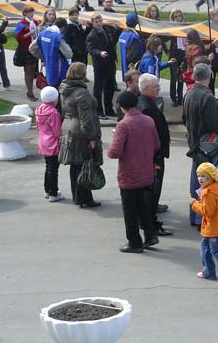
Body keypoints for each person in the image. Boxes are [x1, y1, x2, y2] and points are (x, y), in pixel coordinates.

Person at [108, 91, 161, 253]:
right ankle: (150, 234)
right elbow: (156, 144)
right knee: (142, 205)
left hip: (129, 173)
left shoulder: (123, 125)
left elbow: (114, 152)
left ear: (122, 107)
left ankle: (134, 242)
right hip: (145, 171)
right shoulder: (148, 121)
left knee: (130, 209)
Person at [182, 63, 218, 228]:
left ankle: (194, 215)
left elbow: (184, 119)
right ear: (209, 76)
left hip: (194, 144)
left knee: (196, 180)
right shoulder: (208, 98)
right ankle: (201, 216)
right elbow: (215, 125)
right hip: (208, 146)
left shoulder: (189, 94)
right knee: (206, 182)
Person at [58, 63, 102, 209]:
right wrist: (91, 138)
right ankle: (85, 198)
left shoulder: (64, 88)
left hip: (68, 127)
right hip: (79, 131)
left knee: (75, 166)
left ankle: (78, 197)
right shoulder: (81, 93)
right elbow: (86, 119)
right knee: (85, 165)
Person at [138, 73, 173, 235]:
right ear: (146, 89)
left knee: (151, 191)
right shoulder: (146, 108)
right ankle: (150, 223)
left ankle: (148, 220)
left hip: (154, 155)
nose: (159, 88)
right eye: (156, 86)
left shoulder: (147, 103)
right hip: (153, 157)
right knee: (152, 191)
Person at [85, 14, 117, 119]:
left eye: (100, 21)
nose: (99, 23)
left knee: (110, 86)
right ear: (93, 23)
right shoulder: (91, 35)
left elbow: (113, 41)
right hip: (99, 64)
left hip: (110, 62)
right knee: (98, 87)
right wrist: (99, 53)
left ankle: (109, 108)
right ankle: (98, 110)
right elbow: (90, 49)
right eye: (96, 22)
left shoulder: (106, 30)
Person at [36, 86, 64, 203]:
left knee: (48, 167)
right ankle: (53, 193)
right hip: (52, 144)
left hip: (43, 142)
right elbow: (57, 131)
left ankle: (47, 190)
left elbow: (38, 127)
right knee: (53, 169)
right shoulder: (54, 113)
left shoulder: (39, 110)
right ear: (55, 100)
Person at [30, 18, 72, 90]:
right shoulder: (58, 37)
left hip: (48, 66)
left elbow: (32, 48)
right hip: (59, 67)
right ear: (63, 28)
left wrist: (44, 57)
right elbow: (69, 54)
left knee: (50, 86)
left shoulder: (43, 34)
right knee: (57, 89)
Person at [13, 5, 40, 102]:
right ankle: (30, 92)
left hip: (35, 49)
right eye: (29, 12)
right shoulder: (21, 23)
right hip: (26, 50)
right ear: (25, 13)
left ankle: (31, 90)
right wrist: (29, 33)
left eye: (32, 12)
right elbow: (17, 36)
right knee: (28, 71)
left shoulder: (35, 22)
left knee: (33, 70)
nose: (31, 14)